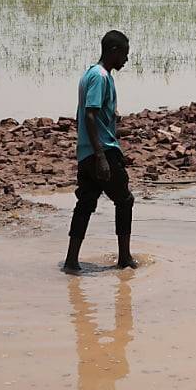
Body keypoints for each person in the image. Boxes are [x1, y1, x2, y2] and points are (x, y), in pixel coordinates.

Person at [63, 30, 137, 272]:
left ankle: (72, 261)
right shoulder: (100, 76)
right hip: (101, 151)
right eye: (124, 54)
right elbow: (90, 114)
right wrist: (102, 157)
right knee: (124, 200)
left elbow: (96, 115)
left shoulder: (91, 74)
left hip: (86, 152)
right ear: (114, 51)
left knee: (85, 203)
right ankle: (124, 258)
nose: (126, 59)